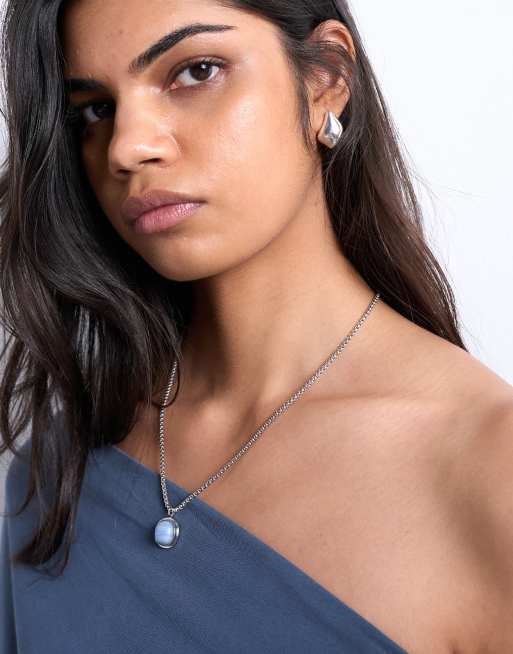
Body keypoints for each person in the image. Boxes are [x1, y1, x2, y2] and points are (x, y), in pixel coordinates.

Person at [1, 1, 512, 652]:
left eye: (196, 72)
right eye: (95, 110)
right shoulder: (58, 468)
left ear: (326, 77)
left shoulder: (488, 469)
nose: (128, 147)